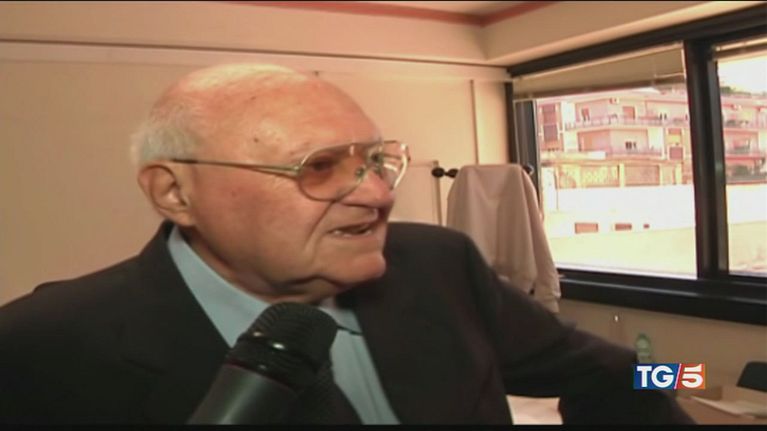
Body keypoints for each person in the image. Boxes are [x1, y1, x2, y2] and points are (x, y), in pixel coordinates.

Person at [0, 63, 693, 424]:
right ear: (175, 193)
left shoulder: (438, 262)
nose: (378, 193)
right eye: (320, 166)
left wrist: (686, 379)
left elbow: (611, 369)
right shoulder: (41, 346)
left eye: (377, 160)